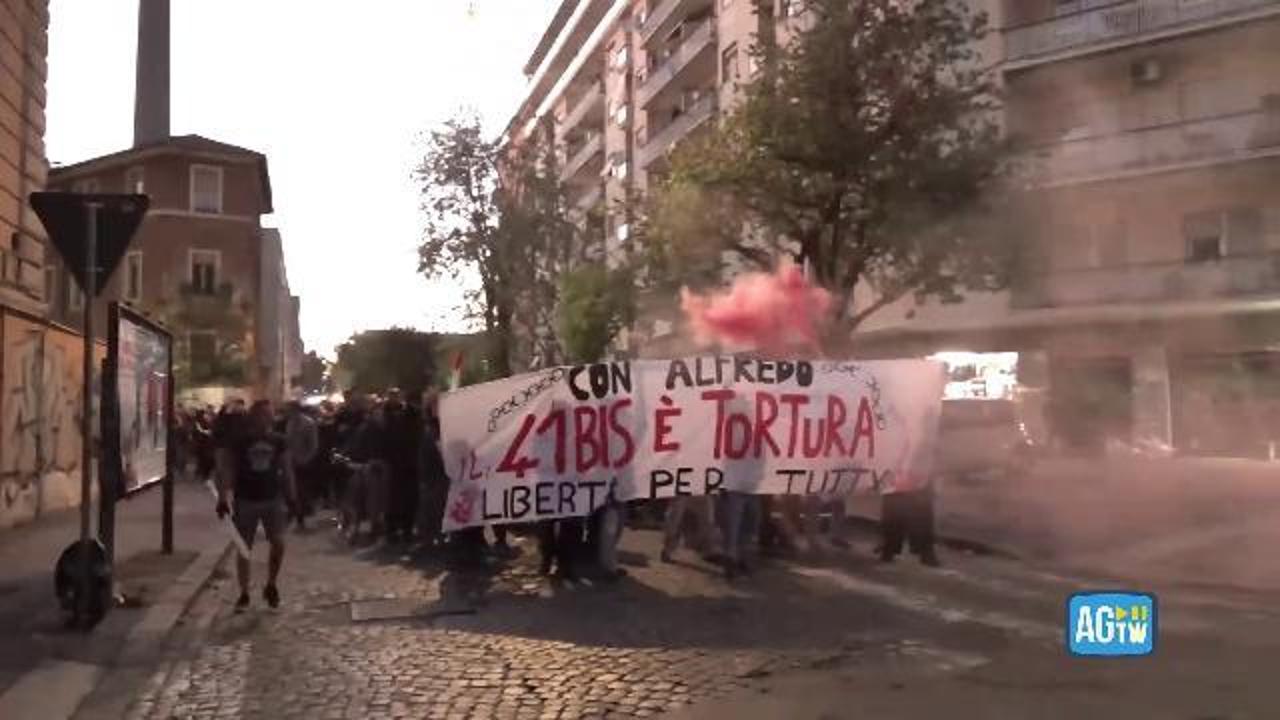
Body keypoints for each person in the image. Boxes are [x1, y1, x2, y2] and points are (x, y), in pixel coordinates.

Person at [215, 400, 297, 611]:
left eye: (269, 415)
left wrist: (293, 498)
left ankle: (271, 584)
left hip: (272, 498)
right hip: (246, 498)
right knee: (244, 547)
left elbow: (287, 469)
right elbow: (228, 469)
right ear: (254, 417)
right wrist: (223, 497)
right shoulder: (240, 441)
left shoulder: (279, 441)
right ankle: (243, 592)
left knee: (278, 543)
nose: (267, 419)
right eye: (262, 415)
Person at [380, 389, 421, 544]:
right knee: (394, 500)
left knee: (409, 500)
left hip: (410, 463)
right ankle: (392, 530)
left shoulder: (411, 415)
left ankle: (407, 530)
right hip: (394, 464)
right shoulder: (385, 415)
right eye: (392, 396)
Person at [285, 402, 319, 530]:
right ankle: (296, 514)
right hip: (291, 460)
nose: (287, 412)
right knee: (293, 490)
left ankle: (301, 517)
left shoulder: (308, 423)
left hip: (304, 462)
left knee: (302, 491)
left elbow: (314, 444)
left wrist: (307, 459)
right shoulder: (290, 422)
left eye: (289, 410)